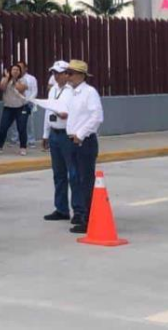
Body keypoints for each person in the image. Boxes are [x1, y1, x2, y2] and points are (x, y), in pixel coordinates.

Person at [63, 60, 103, 235]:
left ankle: (90, 219)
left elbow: (97, 116)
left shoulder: (89, 92)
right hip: (73, 141)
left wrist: (80, 134)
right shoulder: (72, 93)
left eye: (71, 73)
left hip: (84, 141)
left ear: (81, 75)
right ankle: (83, 215)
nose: (68, 76)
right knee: (77, 180)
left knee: (86, 181)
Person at [37, 60, 79, 223]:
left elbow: (75, 112)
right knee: (58, 173)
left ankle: (78, 209)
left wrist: (67, 115)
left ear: (66, 74)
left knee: (73, 174)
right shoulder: (53, 89)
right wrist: (45, 134)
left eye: (59, 73)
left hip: (67, 134)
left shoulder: (71, 91)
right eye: (54, 73)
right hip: (55, 133)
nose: (55, 76)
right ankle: (61, 208)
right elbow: (48, 111)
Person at [0, 64, 30, 155]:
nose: (15, 71)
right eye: (13, 69)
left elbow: (21, 89)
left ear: (20, 72)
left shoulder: (23, 80)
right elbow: (2, 88)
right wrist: (7, 78)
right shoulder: (5, 79)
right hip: (8, 107)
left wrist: (15, 81)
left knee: (22, 128)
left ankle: (23, 147)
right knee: (3, 127)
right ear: (10, 71)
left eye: (17, 70)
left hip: (21, 107)